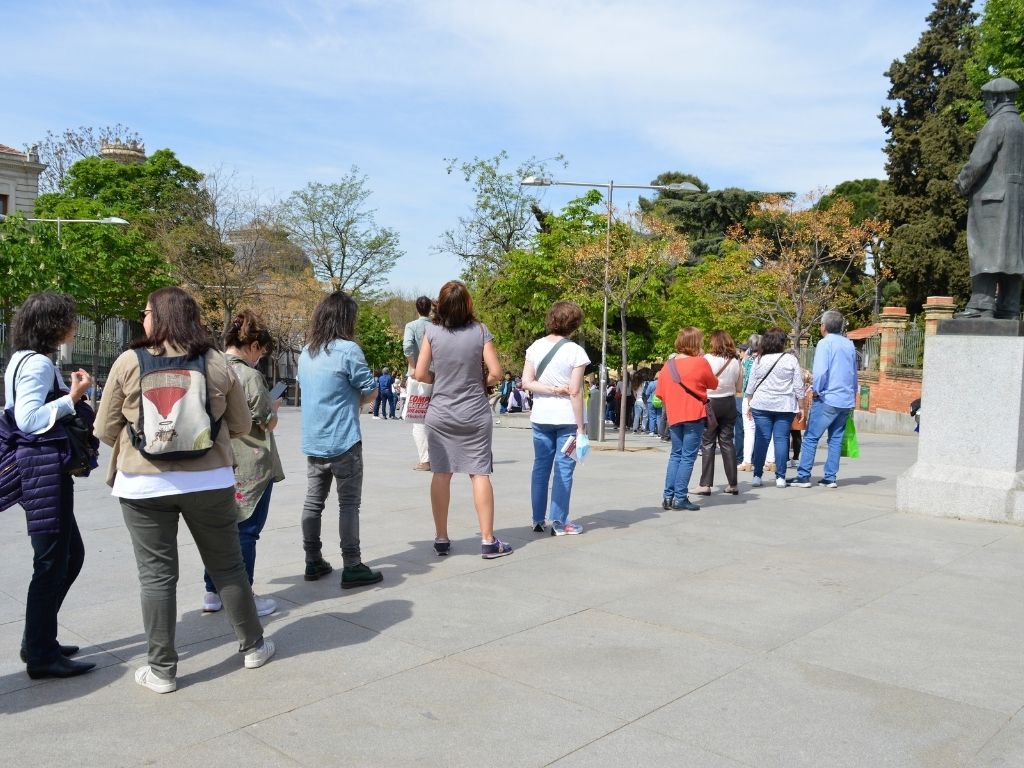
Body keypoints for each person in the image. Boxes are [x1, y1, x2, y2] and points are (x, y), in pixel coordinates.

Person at [96, 287, 274, 694]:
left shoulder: (128, 361)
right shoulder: (215, 361)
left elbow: (104, 428)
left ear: (157, 316)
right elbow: (241, 425)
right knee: (227, 566)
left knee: (157, 576)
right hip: (209, 480)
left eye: (145, 311)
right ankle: (253, 647)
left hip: (143, 482)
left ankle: (162, 671)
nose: (143, 317)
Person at [4, 292, 95, 680]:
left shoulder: (21, 359)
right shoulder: (38, 363)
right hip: (43, 469)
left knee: (68, 556)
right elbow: (27, 419)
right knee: (53, 562)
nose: (74, 325)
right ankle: (40, 653)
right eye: (69, 319)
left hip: (38, 467)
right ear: (52, 325)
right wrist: (72, 398)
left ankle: (38, 639)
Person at [414, 280, 511, 559]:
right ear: (468, 304)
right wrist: (479, 382)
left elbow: (420, 374)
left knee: (441, 473)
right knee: (479, 473)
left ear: (441, 304)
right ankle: (488, 541)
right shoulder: (480, 331)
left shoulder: (431, 332)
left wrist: (439, 379)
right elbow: (496, 373)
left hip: (441, 414)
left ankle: (441, 538)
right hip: (474, 413)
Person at [297, 291, 383, 588]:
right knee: (348, 505)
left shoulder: (306, 352)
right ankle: (352, 564)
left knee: (313, 503)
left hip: (314, 441)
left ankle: (313, 560)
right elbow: (370, 391)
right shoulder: (349, 350)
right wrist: (356, 400)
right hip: (344, 440)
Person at [201, 310, 283, 618]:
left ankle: (212, 591)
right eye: (261, 352)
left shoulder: (208, 366)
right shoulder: (249, 376)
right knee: (247, 531)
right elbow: (264, 421)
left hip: (215, 461)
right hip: (249, 463)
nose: (260, 358)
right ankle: (244, 595)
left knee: (218, 531)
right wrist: (274, 407)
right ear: (253, 345)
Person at [954, 77, 1024, 319]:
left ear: (997, 99)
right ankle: (1009, 307)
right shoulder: (1020, 126)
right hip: (1017, 203)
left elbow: (978, 162)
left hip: (992, 204)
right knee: (1012, 256)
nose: (984, 104)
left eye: (985, 99)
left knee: (986, 251)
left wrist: (962, 183)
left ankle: (981, 305)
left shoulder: (997, 124)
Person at [521, 301, 590, 536]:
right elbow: (575, 392)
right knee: (564, 470)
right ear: (574, 324)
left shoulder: (535, 347)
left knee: (540, 467)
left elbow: (527, 382)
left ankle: (537, 519)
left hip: (541, 416)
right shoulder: (575, 351)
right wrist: (581, 428)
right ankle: (559, 522)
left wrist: (550, 390)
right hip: (567, 418)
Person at [790, 310, 858, 489]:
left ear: (824, 326)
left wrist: (816, 390)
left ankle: (803, 476)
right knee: (835, 439)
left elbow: (820, 372)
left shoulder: (824, 343)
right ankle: (830, 477)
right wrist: (853, 394)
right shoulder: (849, 344)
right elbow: (854, 373)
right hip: (845, 399)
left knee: (811, 437)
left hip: (828, 397)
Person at [655, 327, 718, 511]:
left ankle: (668, 496)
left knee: (676, 454)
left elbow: (660, 393)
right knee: (688, 457)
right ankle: (680, 497)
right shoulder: (700, 362)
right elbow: (713, 383)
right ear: (695, 342)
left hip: (674, 416)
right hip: (693, 414)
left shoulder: (668, 365)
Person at [745, 328, 804, 489]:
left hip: (761, 404)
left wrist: (750, 403)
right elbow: (798, 385)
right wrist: (801, 407)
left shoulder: (759, 360)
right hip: (784, 405)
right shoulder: (790, 359)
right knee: (781, 439)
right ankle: (781, 477)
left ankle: (757, 475)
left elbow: (750, 385)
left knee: (761, 439)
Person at [696, 330, 743, 496]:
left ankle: (705, 484)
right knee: (727, 442)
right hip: (729, 402)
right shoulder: (736, 361)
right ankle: (733, 484)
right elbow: (739, 387)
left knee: (708, 442)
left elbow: (700, 381)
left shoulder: (707, 359)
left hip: (711, 402)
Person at [403, 295, 433, 470]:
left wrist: (413, 366)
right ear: (430, 309)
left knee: (418, 418)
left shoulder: (412, 326)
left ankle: (425, 459)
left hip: (418, 376)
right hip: (438, 375)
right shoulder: (438, 326)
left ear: (417, 309)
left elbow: (407, 346)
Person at [737, 336, 760, 471]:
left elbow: (744, 382)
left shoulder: (747, 361)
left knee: (749, 430)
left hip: (748, 397)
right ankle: (769, 460)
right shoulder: (765, 360)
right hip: (764, 397)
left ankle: (747, 461)